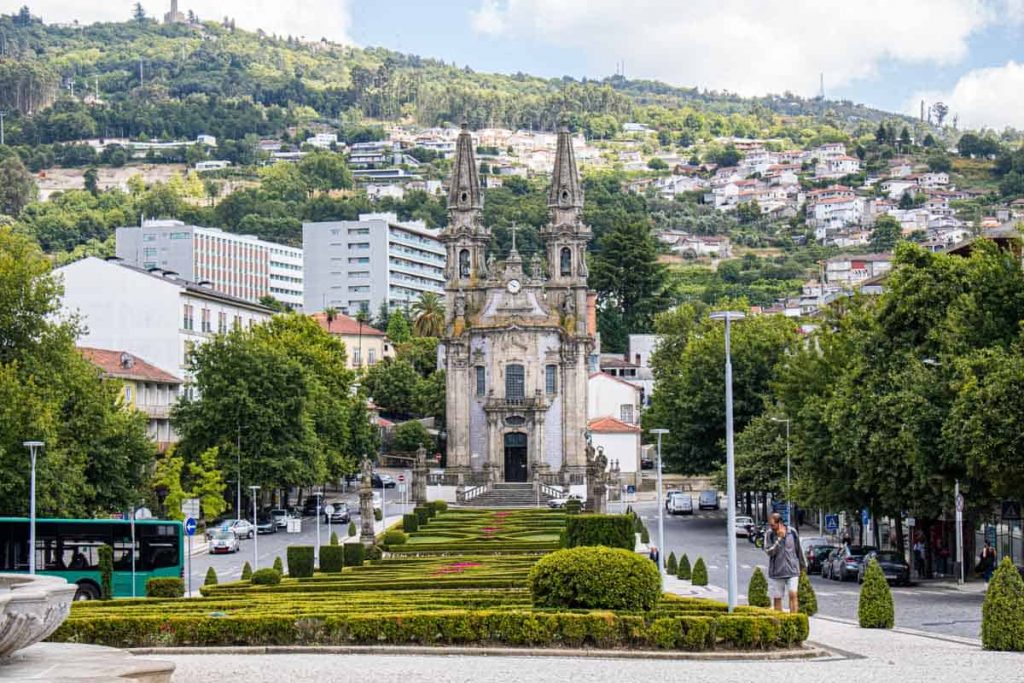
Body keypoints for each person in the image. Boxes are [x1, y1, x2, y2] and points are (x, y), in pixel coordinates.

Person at [763, 512, 805, 613]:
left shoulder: (792, 532)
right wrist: (779, 539)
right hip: (777, 572)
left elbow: (798, 550)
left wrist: (803, 566)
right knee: (777, 598)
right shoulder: (769, 534)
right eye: (770, 525)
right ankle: (780, 622)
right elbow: (769, 551)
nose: (771, 527)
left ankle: (794, 620)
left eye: (773, 525)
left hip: (792, 570)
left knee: (793, 595)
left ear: (780, 523)